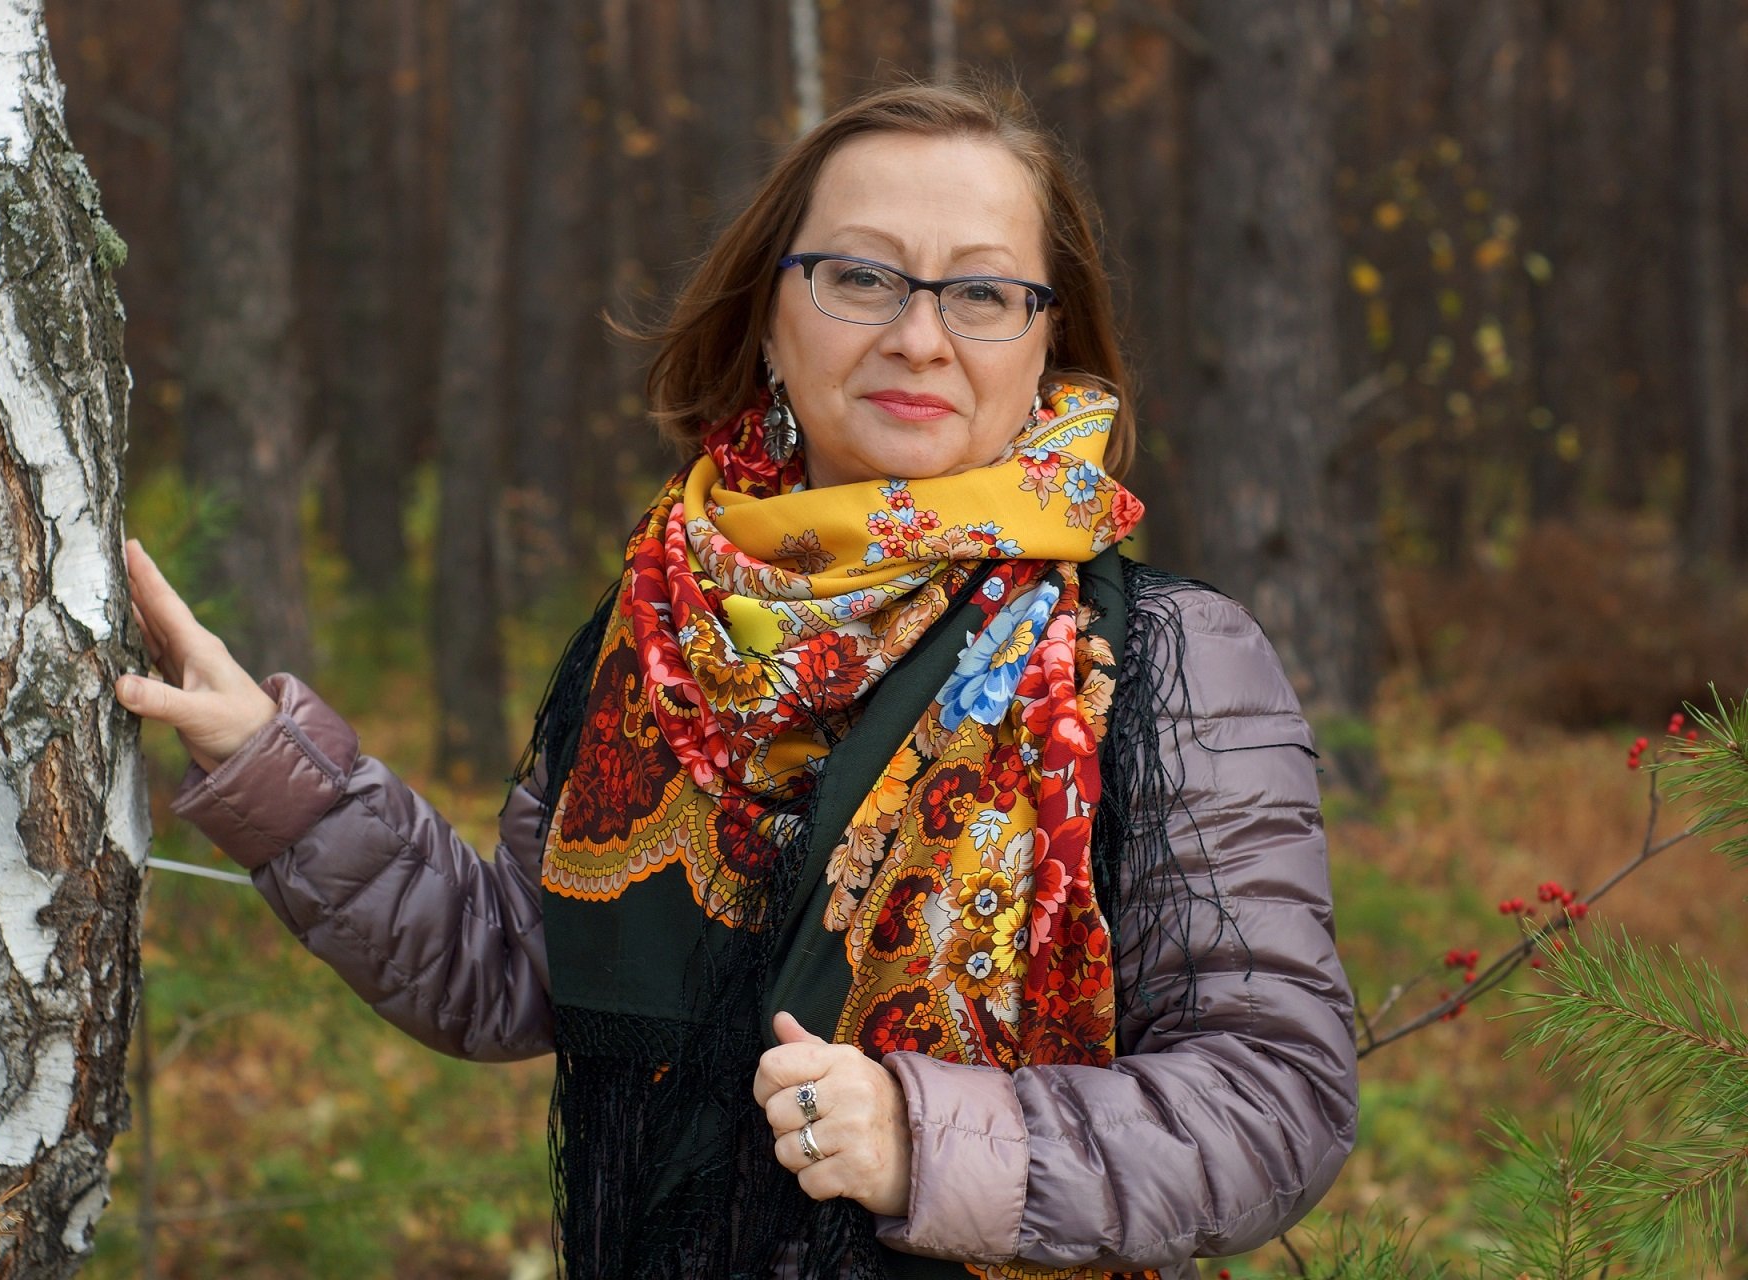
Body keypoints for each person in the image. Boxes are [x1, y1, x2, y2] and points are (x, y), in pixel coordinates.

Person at [118, 80, 1357, 1280]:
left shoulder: (1163, 660)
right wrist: (271, 763)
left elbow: (1275, 1097)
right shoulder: (662, 622)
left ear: (1048, 343)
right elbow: (517, 969)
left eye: (983, 291)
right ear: (770, 317)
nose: (918, 336)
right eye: (861, 276)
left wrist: (925, 1138)